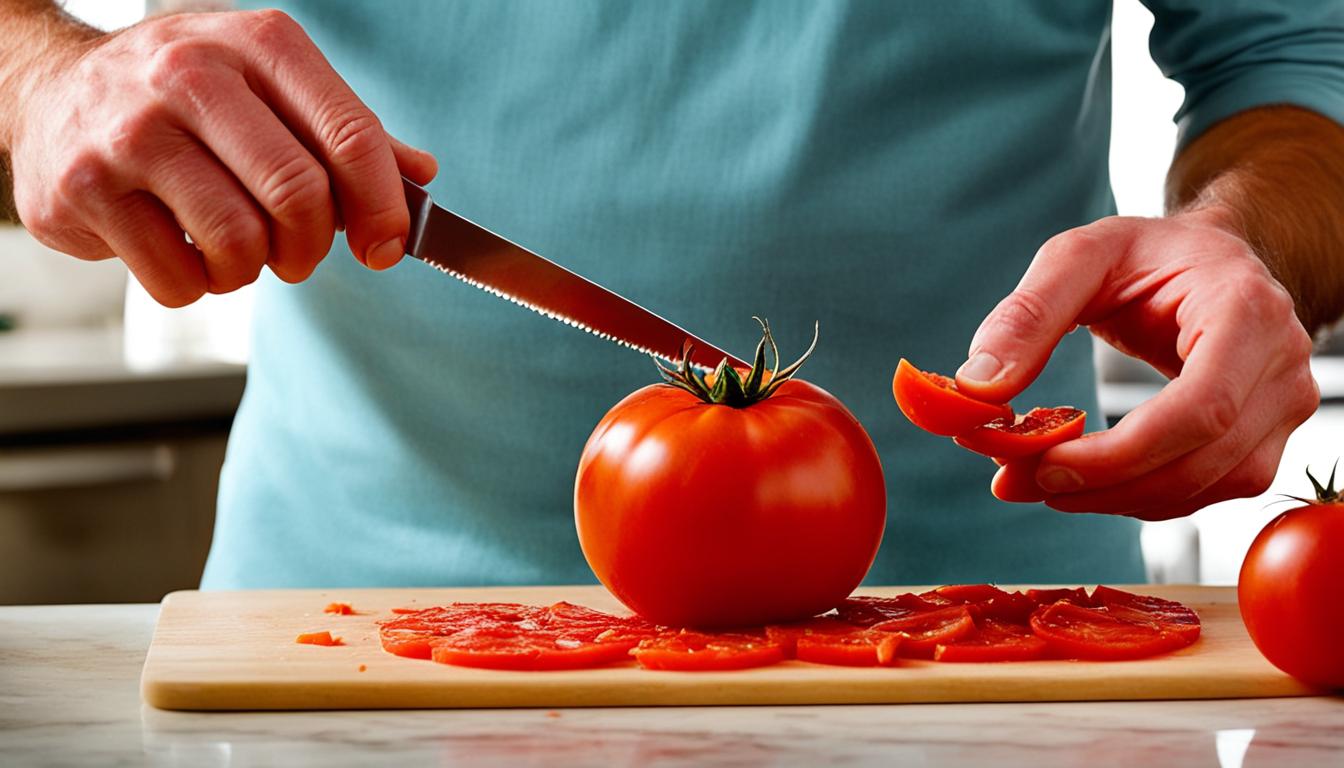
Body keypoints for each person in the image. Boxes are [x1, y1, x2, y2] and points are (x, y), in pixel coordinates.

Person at [1, 1, 1340, 589]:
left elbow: (1303, 57)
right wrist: (42, 83)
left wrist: (1242, 242)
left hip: (986, 656)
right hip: (351, 643)